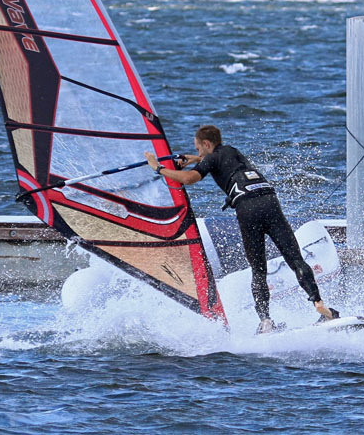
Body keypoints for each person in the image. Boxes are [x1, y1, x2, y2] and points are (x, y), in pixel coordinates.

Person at [145, 124, 339, 334]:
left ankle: (265, 321)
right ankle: (319, 304)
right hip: (269, 201)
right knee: (296, 259)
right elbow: (214, 161)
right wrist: (193, 158)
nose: (199, 152)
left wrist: (158, 168)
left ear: (207, 144)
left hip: (248, 208)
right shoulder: (232, 152)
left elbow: (190, 179)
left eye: (199, 148)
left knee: (259, 269)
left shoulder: (212, 157)